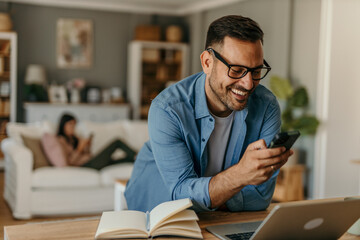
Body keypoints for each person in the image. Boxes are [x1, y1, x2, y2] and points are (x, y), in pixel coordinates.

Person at [125, 15, 293, 212]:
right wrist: (240, 176)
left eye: (256, 71)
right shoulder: (168, 108)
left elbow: (260, 198)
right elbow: (180, 196)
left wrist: (211, 196)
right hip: (155, 205)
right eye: (236, 70)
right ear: (207, 63)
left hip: (217, 218)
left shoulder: (267, 107)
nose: (248, 84)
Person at [54, 113, 136, 170]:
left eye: (74, 124)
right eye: (70, 124)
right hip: (85, 165)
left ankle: (138, 159)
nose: (73, 127)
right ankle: (138, 155)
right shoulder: (61, 140)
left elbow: (87, 154)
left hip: (91, 161)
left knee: (125, 160)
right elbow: (70, 161)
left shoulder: (75, 138)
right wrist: (80, 148)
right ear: (63, 125)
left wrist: (87, 146)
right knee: (117, 142)